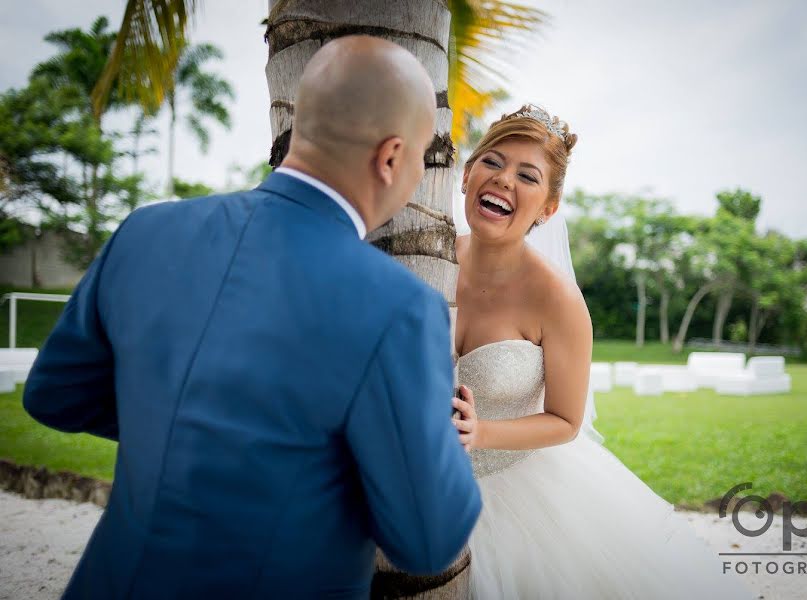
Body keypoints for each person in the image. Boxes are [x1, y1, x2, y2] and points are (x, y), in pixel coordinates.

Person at [23, 35, 481, 599]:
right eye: (422, 158)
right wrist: (441, 442)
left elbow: (54, 394)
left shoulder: (145, 231)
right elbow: (428, 538)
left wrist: (183, 422)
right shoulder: (401, 307)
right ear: (390, 157)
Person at [451, 105, 754, 598]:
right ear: (467, 175)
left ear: (548, 208)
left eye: (527, 175)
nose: (504, 179)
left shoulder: (558, 300)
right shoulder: (425, 255)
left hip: (513, 492)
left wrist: (480, 432)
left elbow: (566, 422)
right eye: (493, 162)